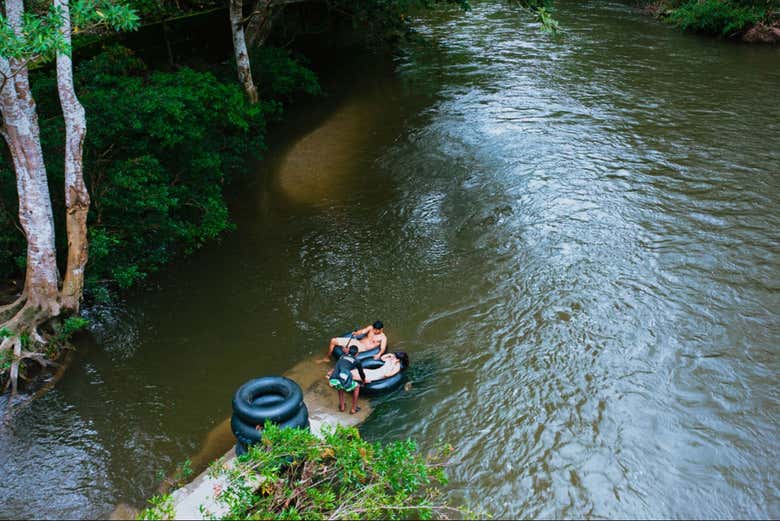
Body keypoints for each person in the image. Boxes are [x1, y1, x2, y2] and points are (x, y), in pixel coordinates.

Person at [327, 345, 369, 414]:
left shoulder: (342, 356)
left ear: (348, 351)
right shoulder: (356, 361)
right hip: (341, 379)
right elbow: (361, 373)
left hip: (333, 379)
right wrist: (363, 380)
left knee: (340, 385)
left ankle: (342, 407)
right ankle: (353, 409)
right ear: (357, 354)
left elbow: (338, 366)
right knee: (357, 386)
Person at [320, 320, 387, 362]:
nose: (374, 331)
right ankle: (327, 358)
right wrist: (357, 333)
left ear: (381, 329)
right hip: (357, 342)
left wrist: (379, 354)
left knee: (346, 352)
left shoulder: (383, 338)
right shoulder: (371, 328)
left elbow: (383, 348)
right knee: (333, 340)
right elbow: (363, 331)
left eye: (376, 330)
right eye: (374, 329)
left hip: (363, 348)